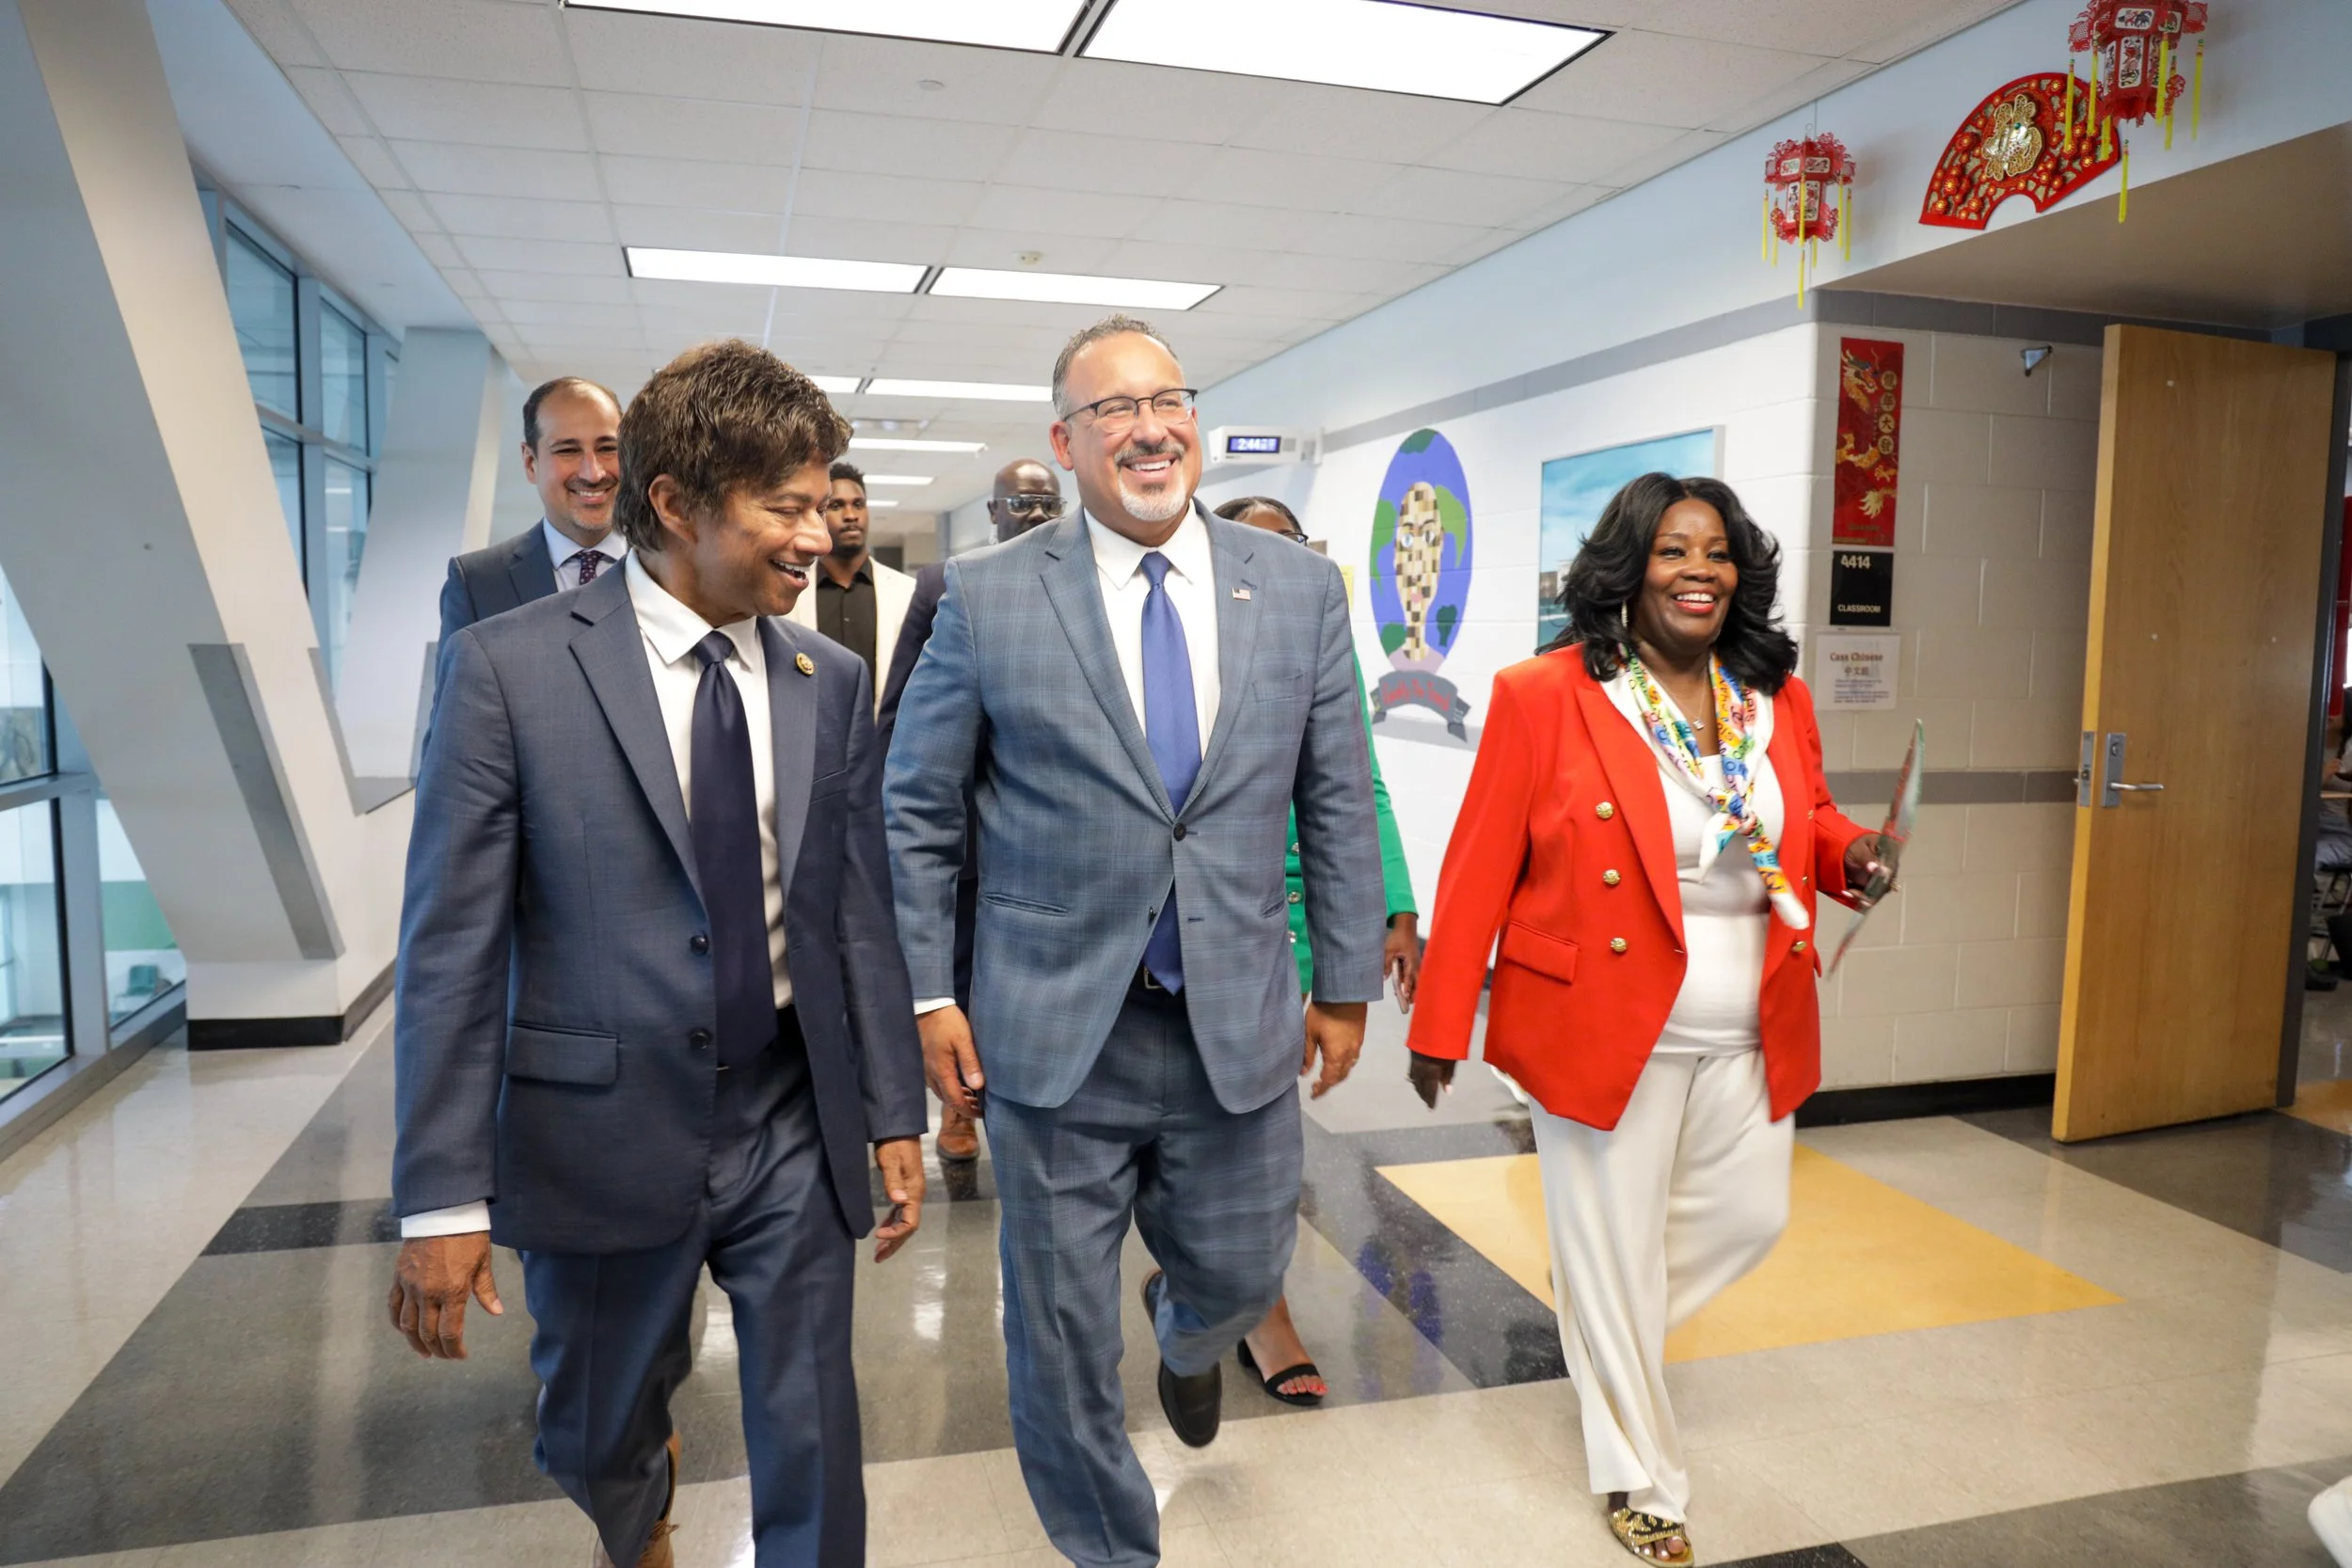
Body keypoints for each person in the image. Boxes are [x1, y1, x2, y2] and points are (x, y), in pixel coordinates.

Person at [387, 341, 929, 1568]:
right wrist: (442, 1192)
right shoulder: (508, 669)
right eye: (783, 505)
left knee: (814, 1417)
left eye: (821, 499)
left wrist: (892, 1102)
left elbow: (851, 905)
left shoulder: (826, 676)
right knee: (592, 1426)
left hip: (787, 1106)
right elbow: (453, 947)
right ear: (678, 501)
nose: (816, 533)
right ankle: (638, 1523)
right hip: (598, 1123)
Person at [884, 316, 1385, 1567]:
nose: (1150, 427)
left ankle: (1189, 1325)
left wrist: (1346, 977)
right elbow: (918, 804)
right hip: (1056, 1027)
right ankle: (1113, 1545)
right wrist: (924, 995)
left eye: (1170, 401)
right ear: (1065, 442)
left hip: (1240, 1010)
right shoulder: (991, 595)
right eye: (1115, 410)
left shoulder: (1303, 592)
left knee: (1243, 1259)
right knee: (1054, 1328)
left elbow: (1334, 791)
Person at [1403, 473, 1885, 1567]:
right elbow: (1480, 861)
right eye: (1673, 550)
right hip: (1598, 1015)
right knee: (1614, 1253)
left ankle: (1601, 1307)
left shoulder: (1773, 694)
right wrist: (1440, 1020)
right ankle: (1641, 1479)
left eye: (1716, 552)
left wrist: (1849, 852)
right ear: (1628, 568)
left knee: (1746, 1217)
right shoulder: (1549, 691)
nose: (1698, 570)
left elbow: (1797, 820)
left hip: (1753, 1017)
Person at [1212, 494, 1420, 1405]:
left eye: (1287, 549)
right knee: (1236, 1127)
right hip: (1221, 924)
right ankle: (1241, 1297)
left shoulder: (1318, 654)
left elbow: (1361, 786)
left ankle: (1230, 1290)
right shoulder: (1184, 656)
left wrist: (1396, 906)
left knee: (1263, 1125)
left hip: (1301, 923)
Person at [876, 457, 1067, 1163]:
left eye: (1049, 503)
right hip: (963, 840)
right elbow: (899, 718)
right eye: (1021, 502)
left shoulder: (1085, 586)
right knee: (957, 981)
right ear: (993, 512)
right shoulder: (948, 583)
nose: (1036, 515)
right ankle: (958, 1110)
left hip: (1045, 839)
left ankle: (1017, 1106)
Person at [439, 376, 625, 641]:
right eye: (568, 450)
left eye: (608, 448)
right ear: (530, 463)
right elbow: (460, 683)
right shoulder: (478, 584)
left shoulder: (674, 569)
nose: (593, 474)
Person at [787, 458, 916, 709]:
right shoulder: (792, 592)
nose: (850, 516)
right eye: (836, 506)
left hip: (883, 740)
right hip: (814, 735)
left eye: (858, 504)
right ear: (819, 513)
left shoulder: (906, 592)